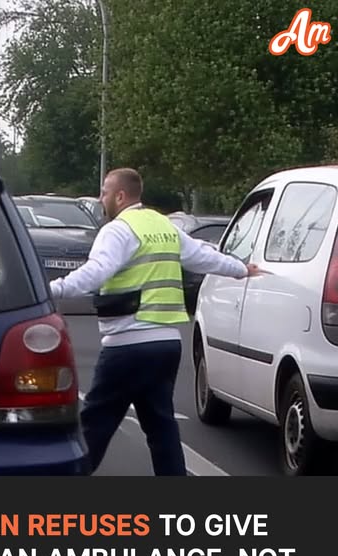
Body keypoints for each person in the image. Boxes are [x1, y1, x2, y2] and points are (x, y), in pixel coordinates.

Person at [49, 168, 262, 476]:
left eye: (105, 192)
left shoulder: (118, 230)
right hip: (165, 344)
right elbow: (203, 257)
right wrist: (241, 269)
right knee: (162, 429)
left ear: (120, 196)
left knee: (95, 425)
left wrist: (50, 290)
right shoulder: (163, 226)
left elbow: (95, 272)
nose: (101, 198)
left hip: (127, 344)